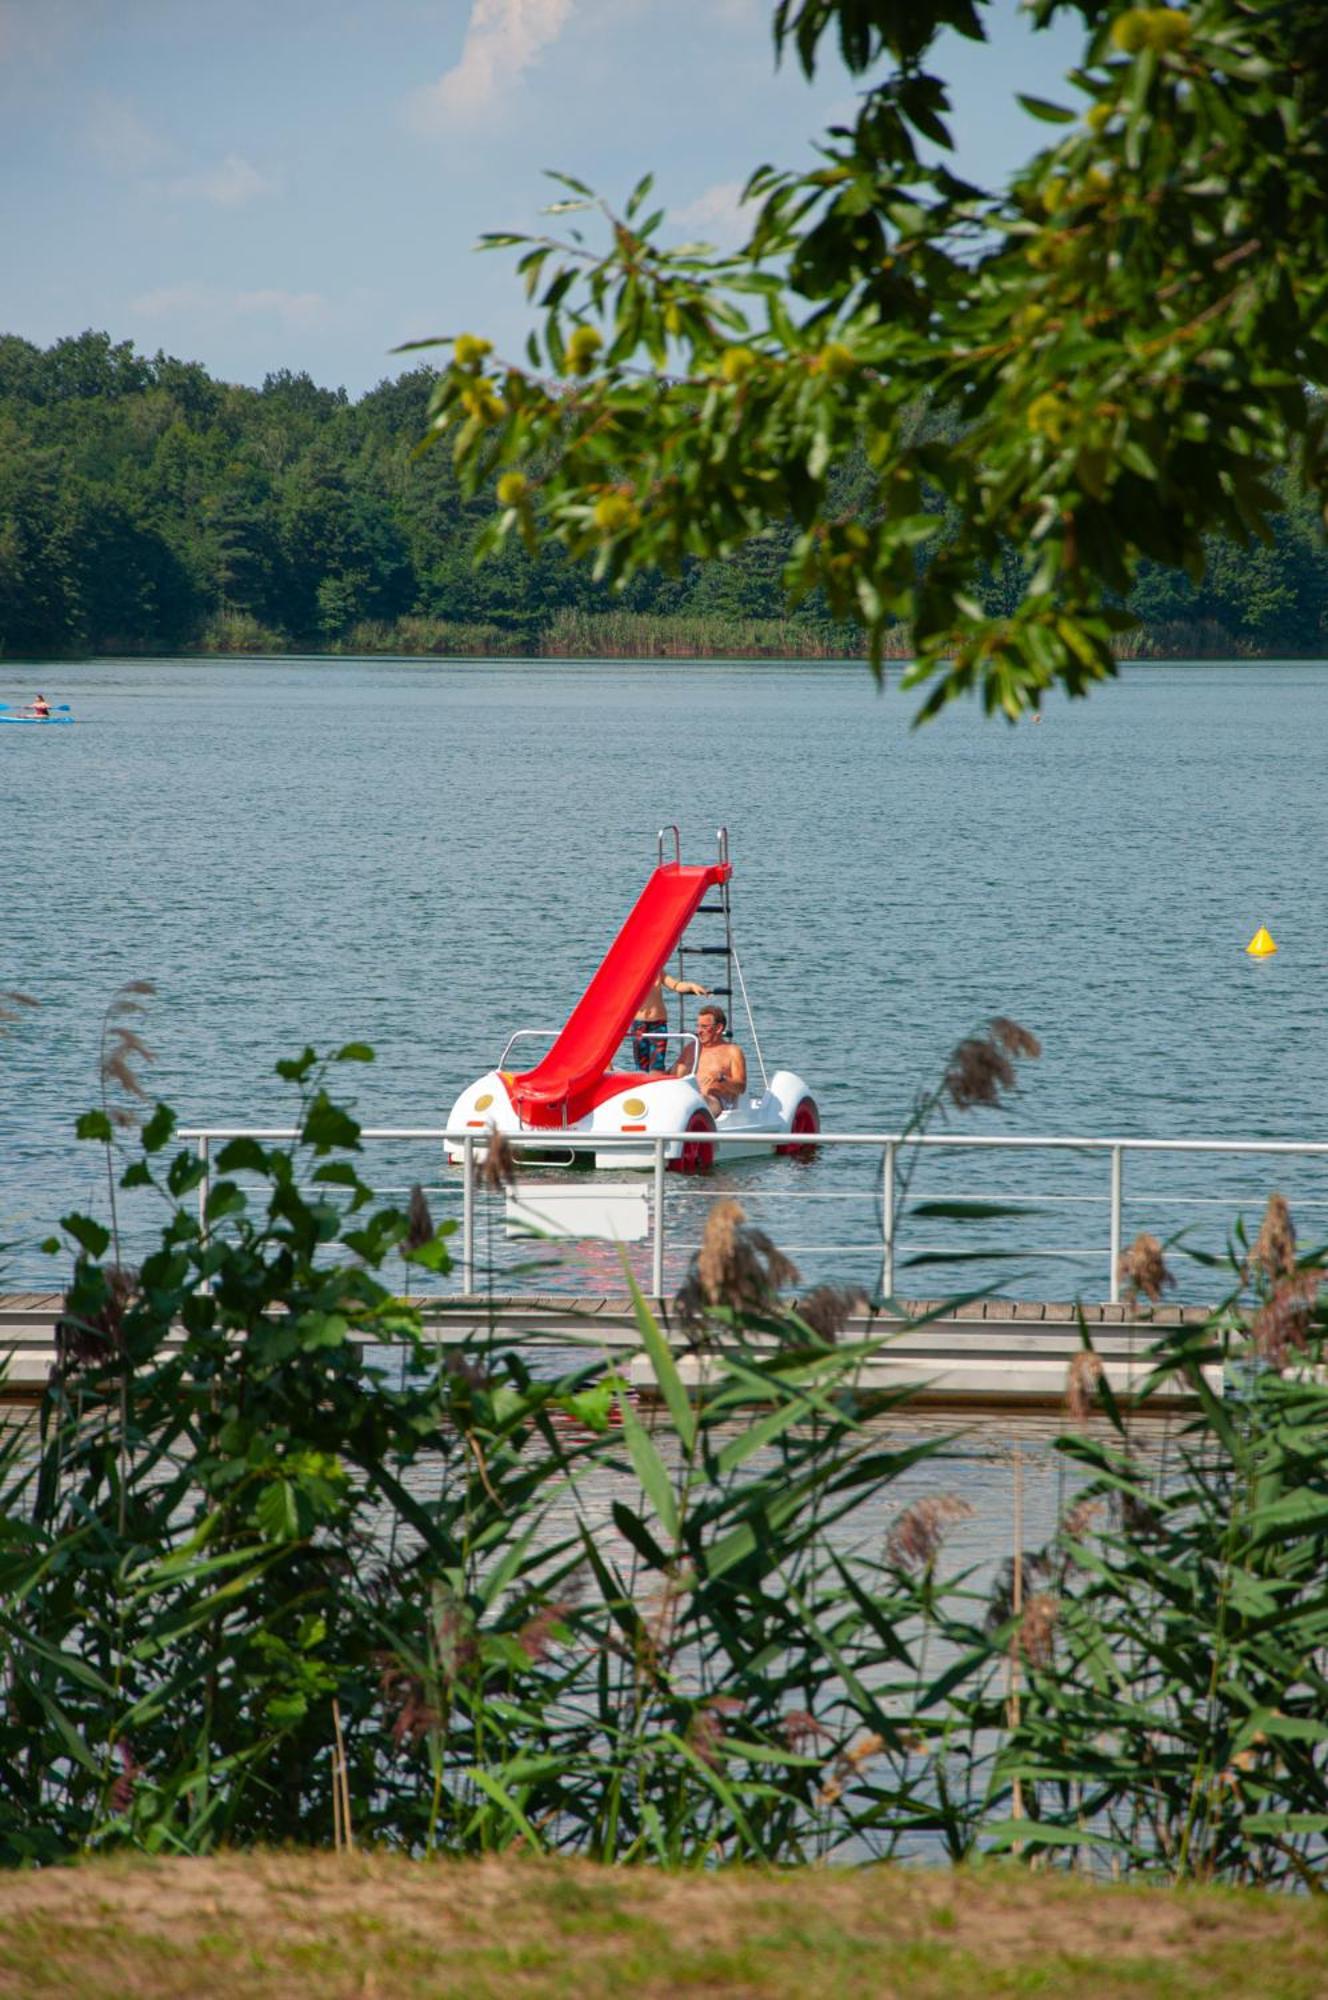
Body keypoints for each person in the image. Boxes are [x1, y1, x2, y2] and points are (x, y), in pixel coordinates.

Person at [631, 965, 709, 1072]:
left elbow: (675, 985)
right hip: (639, 1024)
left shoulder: (657, 971)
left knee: (657, 1064)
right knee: (641, 1065)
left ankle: (658, 1081)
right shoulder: (629, 973)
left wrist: (691, 986)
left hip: (658, 1023)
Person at [679, 1003, 747, 1115]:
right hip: (689, 1097)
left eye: (704, 1027)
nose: (699, 1031)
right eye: (698, 1026)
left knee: (698, 1101)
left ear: (719, 1028)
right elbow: (673, 1074)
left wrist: (721, 1078)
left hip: (717, 1102)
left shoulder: (732, 1051)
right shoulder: (691, 1048)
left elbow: (741, 1087)